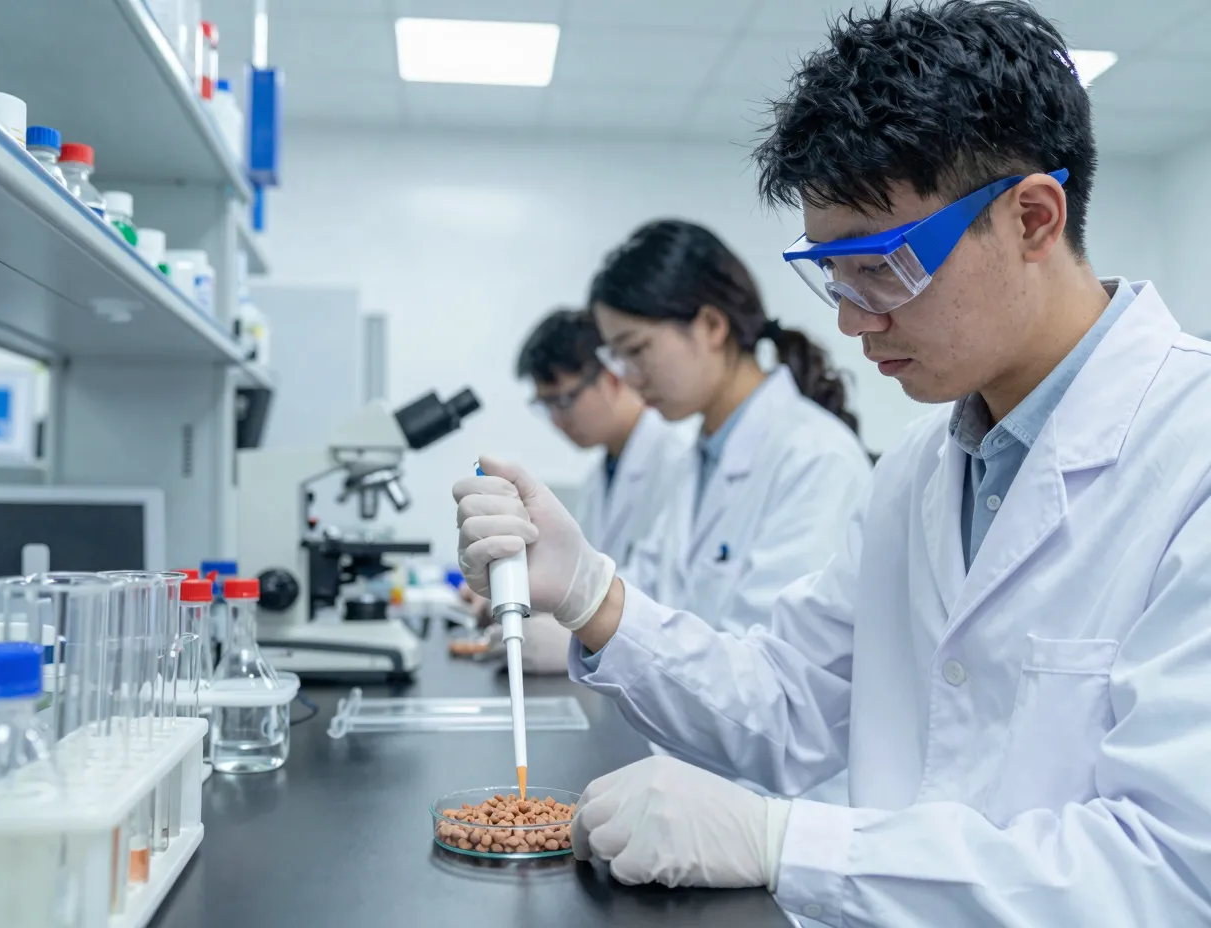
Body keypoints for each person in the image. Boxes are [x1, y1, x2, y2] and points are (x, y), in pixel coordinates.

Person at [452, 1, 1211, 924]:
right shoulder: (921, 471)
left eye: (882, 266)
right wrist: (593, 598)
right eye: (833, 274)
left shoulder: (1191, 454)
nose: (851, 319)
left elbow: (1170, 869)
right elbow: (786, 704)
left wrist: (786, 843)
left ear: (1032, 219)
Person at [588, 218, 871, 635]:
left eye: (636, 350)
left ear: (711, 326)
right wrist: (568, 608)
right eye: (617, 358)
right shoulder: (697, 458)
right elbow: (642, 593)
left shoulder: (816, 459)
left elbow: (776, 653)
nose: (629, 377)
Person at [466, 308, 691, 673]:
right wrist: (518, 594)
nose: (558, 420)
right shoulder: (599, 477)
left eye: (565, 401)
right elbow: (582, 575)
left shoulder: (678, 462)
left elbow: (665, 595)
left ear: (612, 377)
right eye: (546, 405)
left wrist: (580, 639)